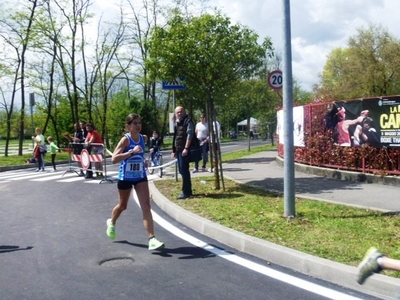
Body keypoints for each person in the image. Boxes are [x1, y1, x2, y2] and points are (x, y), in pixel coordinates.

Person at [106, 113, 164, 251]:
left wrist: (143, 160)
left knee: (146, 205)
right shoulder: (125, 140)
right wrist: (131, 152)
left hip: (140, 176)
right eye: (135, 123)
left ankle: (152, 239)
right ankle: (112, 222)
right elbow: (114, 159)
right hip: (125, 177)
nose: (138, 126)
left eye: (139, 123)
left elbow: (142, 153)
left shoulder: (144, 138)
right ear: (128, 126)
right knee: (123, 205)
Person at [171, 106, 195, 199]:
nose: (179, 114)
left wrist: (186, 148)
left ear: (184, 112)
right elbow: (176, 137)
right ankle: (187, 190)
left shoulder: (187, 121)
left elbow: (190, 135)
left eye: (181, 112)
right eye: (177, 112)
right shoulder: (177, 123)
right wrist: (174, 150)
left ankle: (187, 192)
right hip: (179, 150)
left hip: (185, 150)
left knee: (184, 170)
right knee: (182, 170)